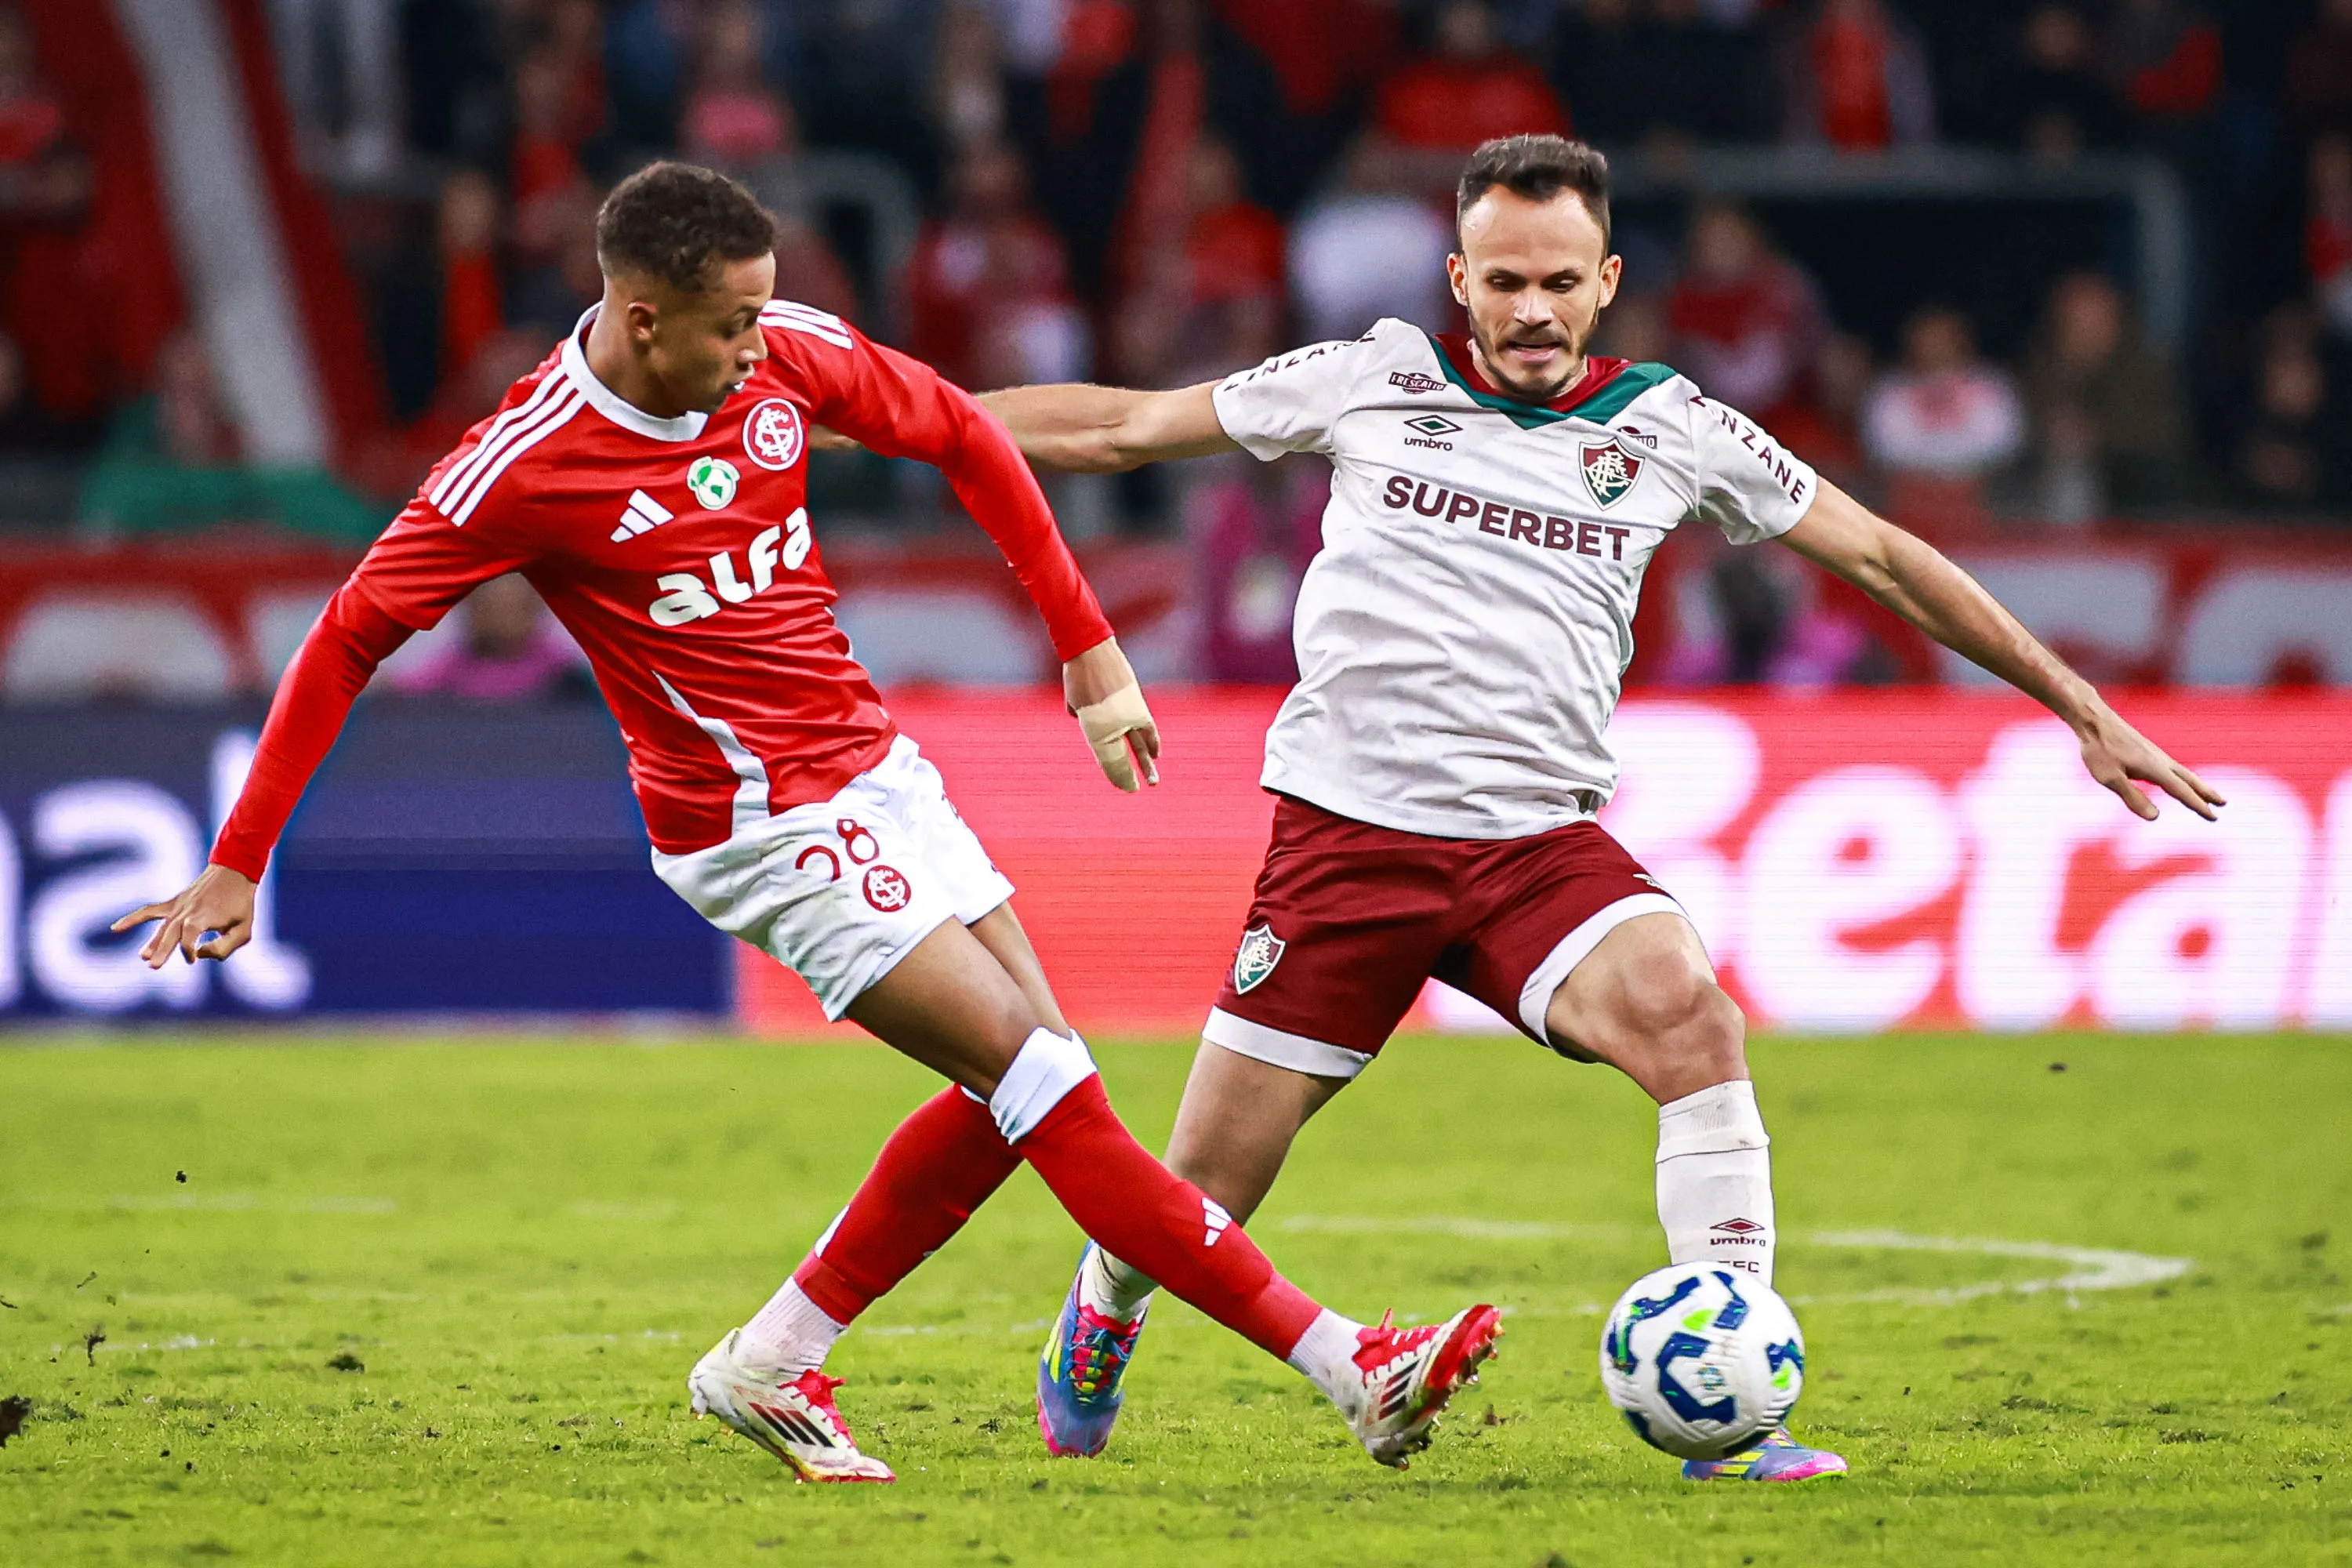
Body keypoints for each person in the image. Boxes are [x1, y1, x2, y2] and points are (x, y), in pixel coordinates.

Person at [111, 162, 1501, 1483]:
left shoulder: (778, 347)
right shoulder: (526, 465)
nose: (755, 349)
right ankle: (1347, 1364)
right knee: (1046, 1087)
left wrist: (1088, 648)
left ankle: (776, 1356)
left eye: (763, 311)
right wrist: (240, 857)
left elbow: (957, 427)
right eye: (728, 325)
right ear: (641, 318)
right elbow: (349, 633)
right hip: (756, 824)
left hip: (877, 774)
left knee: (1019, 1085)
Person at [978, 133, 2223, 1482]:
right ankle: (1101, 1315)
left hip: (1535, 850)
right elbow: (1121, 426)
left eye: (1560, 281)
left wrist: (2077, 705)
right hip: (1350, 848)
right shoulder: (1370, 381)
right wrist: (886, 404)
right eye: (1503, 279)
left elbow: (1883, 555)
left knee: (1694, 1019)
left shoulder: (1671, 425)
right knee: (1204, 1186)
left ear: (1608, 279)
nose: (1531, 310)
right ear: (1458, 277)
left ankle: (1736, 1406)